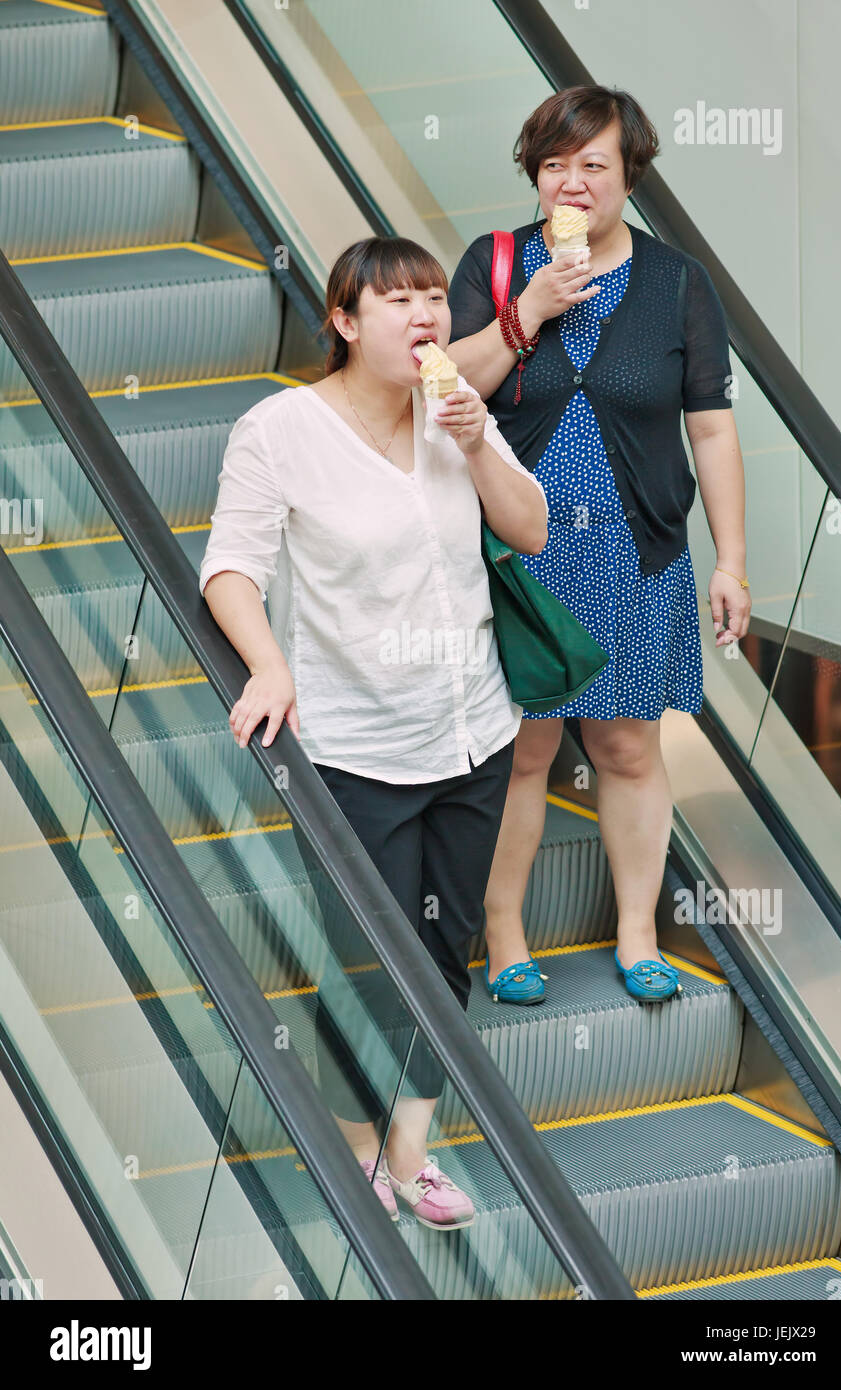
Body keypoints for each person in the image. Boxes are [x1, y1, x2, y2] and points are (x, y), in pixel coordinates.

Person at [198, 236, 548, 1227]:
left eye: (433, 297)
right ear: (345, 323)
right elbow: (230, 565)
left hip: (471, 734)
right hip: (354, 749)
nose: (422, 315)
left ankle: (410, 1152)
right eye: (394, 301)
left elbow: (529, 530)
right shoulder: (280, 431)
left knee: (443, 952)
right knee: (364, 957)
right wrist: (269, 663)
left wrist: (476, 438)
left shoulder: (454, 414)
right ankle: (353, 1159)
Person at [447, 85, 751, 1005]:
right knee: (525, 753)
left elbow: (711, 428)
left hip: (636, 552)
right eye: (553, 165)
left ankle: (634, 933)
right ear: (533, 176)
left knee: (627, 749)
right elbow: (441, 387)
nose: (570, 184)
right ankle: (504, 938)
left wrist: (730, 559)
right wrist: (528, 309)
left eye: (593, 166)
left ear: (630, 178)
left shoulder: (677, 283)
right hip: (519, 557)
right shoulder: (497, 265)